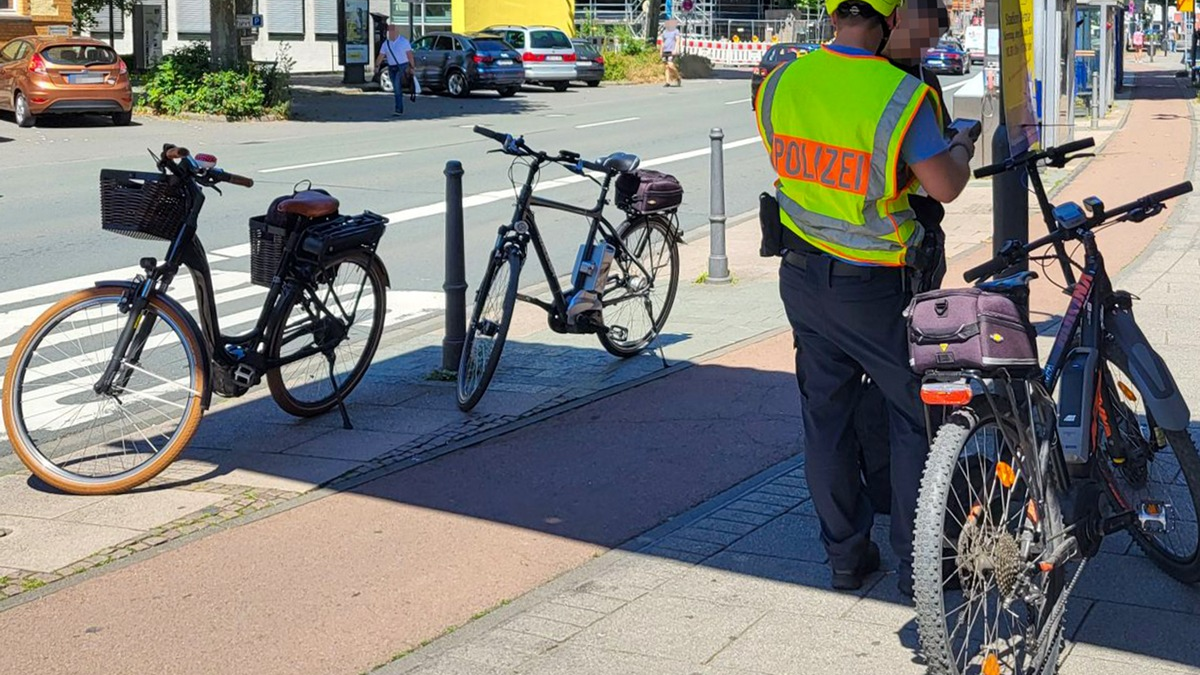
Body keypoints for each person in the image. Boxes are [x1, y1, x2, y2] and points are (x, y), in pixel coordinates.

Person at [754, 0, 976, 596]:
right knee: (913, 416)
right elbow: (945, 187)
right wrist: (960, 145)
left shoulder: (781, 81)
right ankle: (919, 565)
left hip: (801, 277)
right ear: (889, 20)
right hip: (877, 285)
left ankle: (846, 558)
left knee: (825, 417)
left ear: (833, 16)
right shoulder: (900, 95)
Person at [375, 24, 415, 116]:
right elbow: (381, 56)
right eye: (389, 32)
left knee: (397, 87)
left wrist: (412, 67)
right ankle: (399, 104)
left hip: (402, 67)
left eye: (392, 31)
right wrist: (377, 66)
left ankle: (398, 109)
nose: (390, 34)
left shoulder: (404, 42)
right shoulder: (386, 44)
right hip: (391, 67)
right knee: (396, 87)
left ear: (397, 32)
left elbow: (410, 56)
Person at [661, 19, 683, 87]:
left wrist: (676, 49)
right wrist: (661, 51)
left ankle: (678, 77)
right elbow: (662, 42)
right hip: (665, 50)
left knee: (671, 65)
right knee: (666, 66)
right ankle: (667, 82)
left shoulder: (676, 31)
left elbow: (677, 40)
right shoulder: (664, 32)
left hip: (671, 50)